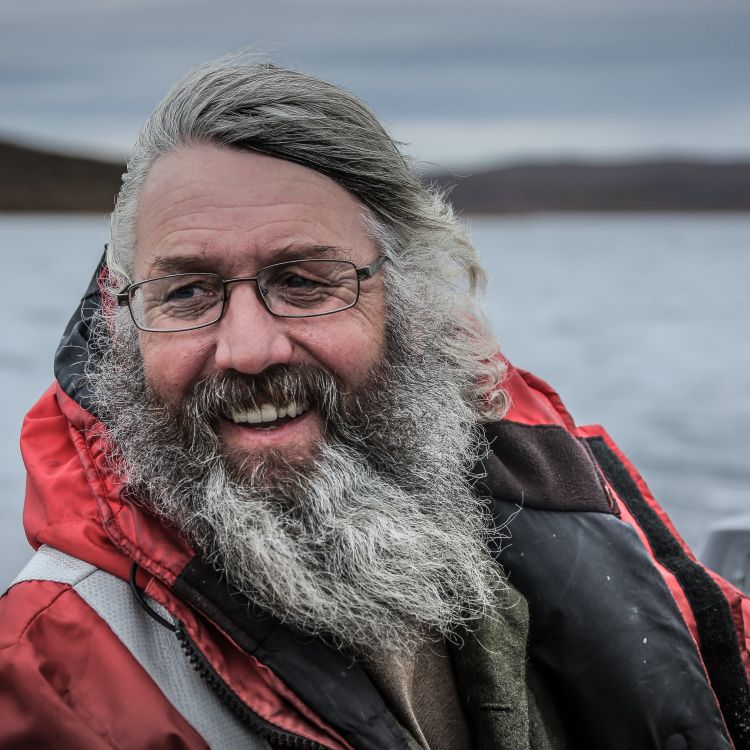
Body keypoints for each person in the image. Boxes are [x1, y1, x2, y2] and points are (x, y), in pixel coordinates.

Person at [1, 56, 748, 750]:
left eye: (304, 280)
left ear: (409, 296)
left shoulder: (550, 488)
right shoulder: (55, 666)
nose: (249, 348)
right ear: (121, 317)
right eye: (188, 293)